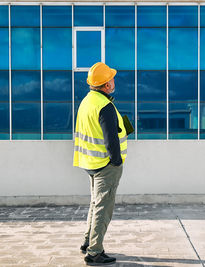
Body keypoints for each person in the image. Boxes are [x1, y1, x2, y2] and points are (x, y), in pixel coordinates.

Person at [73, 62, 128, 265]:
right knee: (103, 208)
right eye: (111, 78)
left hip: (90, 162)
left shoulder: (87, 101)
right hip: (106, 165)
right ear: (106, 85)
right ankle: (94, 252)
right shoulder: (105, 106)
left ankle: (87, 242)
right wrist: (116, 161)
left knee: (95, 204)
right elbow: (110, 140)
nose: (114, 81)